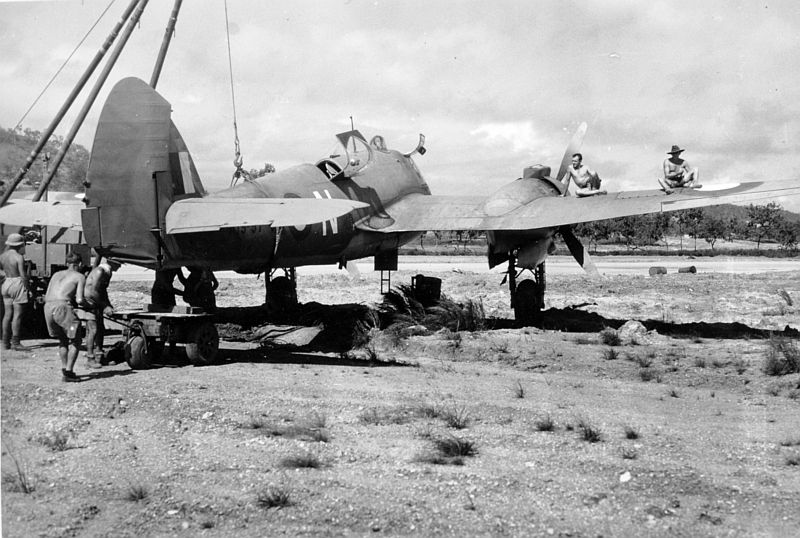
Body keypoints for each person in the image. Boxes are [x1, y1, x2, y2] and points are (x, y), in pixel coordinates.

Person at [43, 252, 86, 382]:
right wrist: (89, 304)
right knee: (75, 339)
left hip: (48, 308)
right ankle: (69, 372)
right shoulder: (79, 276)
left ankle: (64, 367)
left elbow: (47, 294)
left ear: (67, 263)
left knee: (62, 339)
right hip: (62, 308)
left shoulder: (56, 274)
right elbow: (79, 300)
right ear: (79, 264)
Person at [79, 257, 121, 368]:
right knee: (93, 330)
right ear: (112, 262)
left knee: (100, 328)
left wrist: (109, 305)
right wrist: (105, 305)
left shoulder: (107, 272)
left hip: (97, 302)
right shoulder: (99, 271)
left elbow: (103, 291)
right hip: (90, 303)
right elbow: (93, 291)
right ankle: (90, 358)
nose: (120, 266)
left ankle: (99, 357)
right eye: (119, 263)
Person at [1, 233, 30, 351]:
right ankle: (16, 342)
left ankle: (5, 342)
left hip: (6, 282)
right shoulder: (19, 257)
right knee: (17, 314)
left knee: (7, 314)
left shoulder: (2, 256)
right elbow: (23, 275)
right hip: (17, 283)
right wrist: (27, 287)